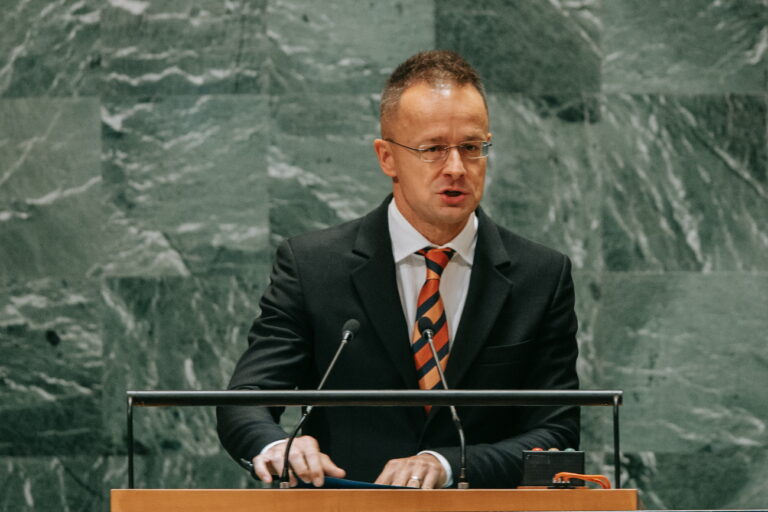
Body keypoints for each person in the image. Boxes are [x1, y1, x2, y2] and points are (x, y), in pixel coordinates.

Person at [217, 50, 579, 489]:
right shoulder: (314, 266)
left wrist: (447, 464)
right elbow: (246, 400)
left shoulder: (540, 275)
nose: (456, 168)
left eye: (471, 147)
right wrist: (278, 446)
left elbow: (557, 432)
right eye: (432, 150)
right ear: (387, 157)